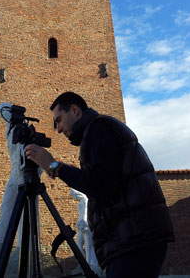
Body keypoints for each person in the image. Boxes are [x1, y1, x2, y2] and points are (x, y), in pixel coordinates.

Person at [25, 92, 174, 278]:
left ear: (75, 111)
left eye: (59, 120)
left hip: (132, 240)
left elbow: (100, 185)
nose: (58, 129)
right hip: (133, 237)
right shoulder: (99, 130)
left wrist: (53, 165)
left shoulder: (100, 128)